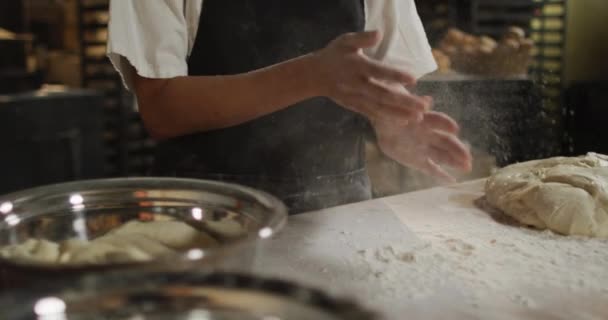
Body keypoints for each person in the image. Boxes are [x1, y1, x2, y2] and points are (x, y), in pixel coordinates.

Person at [107, 0, 472, 214]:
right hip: (208, 218)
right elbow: (162, 108)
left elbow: (382, 77)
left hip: (338, 213)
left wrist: (393, 120)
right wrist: (311, 75)